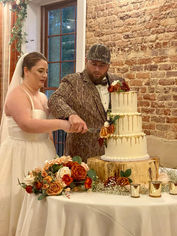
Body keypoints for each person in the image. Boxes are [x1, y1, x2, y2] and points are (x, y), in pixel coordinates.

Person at [0, 52, 74, 236]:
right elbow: (28, 125)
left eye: (46, 71)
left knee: (43, 204)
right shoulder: (17, 94)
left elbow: (45, 128)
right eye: (40, 71)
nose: (45, 75)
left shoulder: (42, 98)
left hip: (42, 153)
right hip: (20, 155)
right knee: (18, 201)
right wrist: (62, 125)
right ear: (26, 70)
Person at [48, 44, 125, 162]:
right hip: (81, 156)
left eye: (102, 65)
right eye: (93, 64)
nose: (97, 70)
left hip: (114, 154)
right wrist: (71, 115)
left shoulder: (118, 82)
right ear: (86, 61)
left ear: (108, 65)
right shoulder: (73, 81)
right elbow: (55, 99)